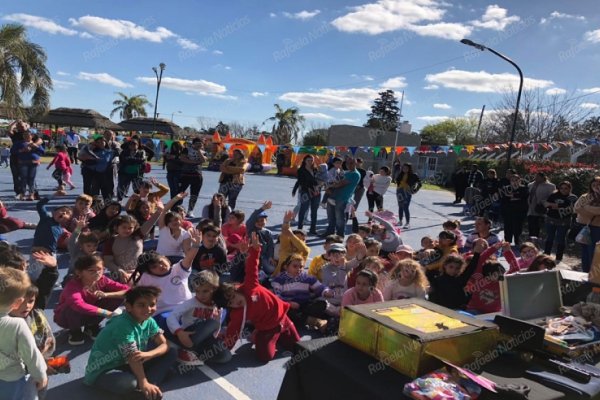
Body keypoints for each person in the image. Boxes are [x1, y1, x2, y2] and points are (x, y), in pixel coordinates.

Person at [215, 233, 300, 362]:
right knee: (265, 357)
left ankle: (273, 334)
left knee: (298, 347)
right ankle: (260, 335)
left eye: (233, 297)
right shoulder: (239, 313)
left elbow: (251, 267)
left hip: (283, 319)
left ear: (236, 289)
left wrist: (254, 250)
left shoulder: (249, 286)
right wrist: (224, 349)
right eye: (231, 303)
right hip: (267, 328)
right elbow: (234, 331)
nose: (236, 302)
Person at [83, 286, 177, 399]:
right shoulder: (122, 325)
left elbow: (165, 344)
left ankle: (148, 388)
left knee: (172, 351)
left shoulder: (149, 320)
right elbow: (132, 356)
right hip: (105, 369)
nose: (148, 309)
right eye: (141, 305)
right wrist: (143, 382)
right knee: (128, 383)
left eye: (152, 305)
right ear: (128, 307)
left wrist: (149, 354)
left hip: (127, 363)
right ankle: (146, 385)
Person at [54, 255, 129, 345]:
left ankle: (91, 326)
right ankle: (75, 331)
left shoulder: (103, 280)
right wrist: (106, 313)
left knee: (116, 296)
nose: (97, 273)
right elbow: (79, 305)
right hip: (66, 318)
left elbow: (127, 290)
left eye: (100, 269)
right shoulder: (72, 286)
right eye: (91, 270)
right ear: (79, 272)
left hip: (88, 313)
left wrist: (106, 294)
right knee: (72, 307)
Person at [0, 268, 48, 400]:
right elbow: (31, 354)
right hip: (11, 378)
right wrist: (40, 375)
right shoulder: (17, 325)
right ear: (17, 303)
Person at [166, 270, 231, 366]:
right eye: (197, 291)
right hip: (189, 336)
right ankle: (183, 348)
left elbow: (217, 325)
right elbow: (171, 317)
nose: (201, 295)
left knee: (225, 357)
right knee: (212, 323)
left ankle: (194, 354)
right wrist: (179, 332)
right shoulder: (190, 303)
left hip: (205, 339)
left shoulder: (216, 305)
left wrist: (215, 339)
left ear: (214, 289)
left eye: (205, 291)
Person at [29, 198, 73, 309]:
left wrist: (79, 229)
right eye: (61, 210)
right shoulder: (45, 219)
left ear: (68, 220)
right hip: (38, 253)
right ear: (53, 212)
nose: (64, 213)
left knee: (53, 271)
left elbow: (73, 238)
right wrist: (54, 195)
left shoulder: (62, 229)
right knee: (34, 273)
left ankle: (50, 283)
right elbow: (40, 205)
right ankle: (29, 290)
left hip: (51, 254)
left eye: (67, 213)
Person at [103, 210, 162, 283]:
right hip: (119, 272)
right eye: (124, 227)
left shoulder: (138, 235)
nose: (127, 230)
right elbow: (107, 261)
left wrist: (159, 210)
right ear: (116, 228)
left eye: (130, 228)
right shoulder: (111, 241)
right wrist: (119, 270)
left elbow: (151, 221)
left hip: (138, 270)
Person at [272, 254, 325, 330]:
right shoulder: (279, 279)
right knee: (287, 313)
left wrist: (326, 291)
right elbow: (277, 296)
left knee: (322, 304)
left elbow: (319, 287)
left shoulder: (306, 277)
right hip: (289, 306)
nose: (298, 269)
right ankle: (314, 321)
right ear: (286, 267)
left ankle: (304, 319)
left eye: (301, 267)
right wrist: (289, 303)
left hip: (304, 304)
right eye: (295, 266)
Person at [429, 242, 485, 309]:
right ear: (445, 265)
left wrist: (477, 253)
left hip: (458, 311)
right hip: (442, 312)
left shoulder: (460, 279)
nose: (453, 270)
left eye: (457, 268)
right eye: (451, 267)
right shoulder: (436, 280)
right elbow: (432, 298)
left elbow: (470, 269)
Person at [325, 157, 361, 237]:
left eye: (351, 163)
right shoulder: (346, 172)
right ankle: (329, 233)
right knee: (331, 217)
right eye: (347, 163)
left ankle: (340, 236)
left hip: (342, 198)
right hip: (333, 196)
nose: (349, 165)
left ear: (356, 163)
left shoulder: (355, 174)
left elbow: (341, 183)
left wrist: (329, 186)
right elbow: (335, 180)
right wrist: (329, 187)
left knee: (340, 219)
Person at [544, 181, 578, 262]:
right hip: (551, 219)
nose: (563, 190)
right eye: (561, 188)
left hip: (564, 221)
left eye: (566, 188)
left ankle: (559, 257)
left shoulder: (573, 197)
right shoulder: (554, 195)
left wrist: (556, 206)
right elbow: (546, 204)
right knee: (549, 237)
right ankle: (546, 255)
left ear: (569, 189)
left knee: (561, 238)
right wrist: (560, 206)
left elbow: (573, 208)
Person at [574, 176, 600, 272]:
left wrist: (586, 208)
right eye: (594, 185)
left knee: (593, 252)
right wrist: (592, 212)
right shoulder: (585, 196)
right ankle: (585, 272)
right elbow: (576, 208)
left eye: (598, 185)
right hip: (583, 227)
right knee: (584, 251)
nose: (596, 187)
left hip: (597, 229)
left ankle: (593, 275)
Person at [274, 210, 310, 275]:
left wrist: (291, 235)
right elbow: (285, 233)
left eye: (303, 240)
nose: (301, 241)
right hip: (278, 280)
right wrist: (286, 222)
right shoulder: (285, 247)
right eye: (298, 239)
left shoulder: (305, 251)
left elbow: (303, 248)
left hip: (296, 281)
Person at [179, 138, 207, 218]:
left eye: (201, 143)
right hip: (185, 174)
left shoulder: (203, 152)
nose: (199, 145)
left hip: (197, 175)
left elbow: (203, 161)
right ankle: (177, 208)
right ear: (193, 144)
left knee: (194, 194)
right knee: (180, 192)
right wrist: (194, 162)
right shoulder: (186, 149)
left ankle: (190, 210)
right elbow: (183, 158)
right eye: (197, 143)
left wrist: (199, 151)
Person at [246, 201, 276, 276]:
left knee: (271, 269)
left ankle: (261, 269)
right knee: (249, 269)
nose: (260, 222)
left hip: (263, 256)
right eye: (258, 221)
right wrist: (262, 208)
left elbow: (270, 246)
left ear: (266, 221)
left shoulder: (268, 232)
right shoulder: (251, 229)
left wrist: (270, 257)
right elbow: (250, 220)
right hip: (251, 255)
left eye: (262, 220)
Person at [13, 130, 44, 201]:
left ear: (32, 136)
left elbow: (42, 152)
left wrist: (36, 146)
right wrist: (22, 150)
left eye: (28, 135)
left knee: (31, 179)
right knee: (23, 179)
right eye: (25, 134)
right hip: (23, 163)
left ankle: (31, 194)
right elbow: (13, 151)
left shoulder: (36, 143)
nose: (26, 136)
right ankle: (23, 194)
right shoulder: (19, 143)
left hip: (33, 163)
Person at [295, 155, 321, 234]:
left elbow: (319, 180)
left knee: (314, 211)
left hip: (316, 192)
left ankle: (313, 229)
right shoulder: (301, 170)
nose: (310, 162)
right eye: (308, 160)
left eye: (311, 160)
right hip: (306, 192)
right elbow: (301, 182)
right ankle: (300, 229)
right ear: (305, 161)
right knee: (303, 210)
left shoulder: (315, 169)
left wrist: (319, 185)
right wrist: (310, 187)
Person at [502, 174, 529, 246]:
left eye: (516, 180)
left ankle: (517, 244)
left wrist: (512, 196)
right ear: (510, 182)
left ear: (520, 180)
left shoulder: (524, 188)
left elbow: (523, 197)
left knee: (518, 229)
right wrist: (515, 197)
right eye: (512, 180)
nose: (514, 182)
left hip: (519, 213)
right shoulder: (506, 189)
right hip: (508, 212)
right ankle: (507, 243)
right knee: (508, 229)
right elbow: (504, 199)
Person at [527, 172, 556, 238]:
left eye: (538, 177)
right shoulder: (531, 185)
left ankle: (535, 240)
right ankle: (530, 239)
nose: (536, 178)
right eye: (536, 176)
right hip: (531, 209)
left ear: (543, 177)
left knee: (537, 226)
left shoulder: (550, 186)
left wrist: (544, 202)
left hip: (541, 209)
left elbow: (552, 197)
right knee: (530, 226)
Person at [394, 162, 421, 229]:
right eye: (403, 168)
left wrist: (415, 190)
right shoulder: (400, 174)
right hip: (399, 191)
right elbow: (397, 181)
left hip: (407, 192)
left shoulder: (413, 175)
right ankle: (400, 221)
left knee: (405, 207)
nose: (404, 169)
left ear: (409, 168)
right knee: (400, 206)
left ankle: (407, 223)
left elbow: (420, 183)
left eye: (406, 168)